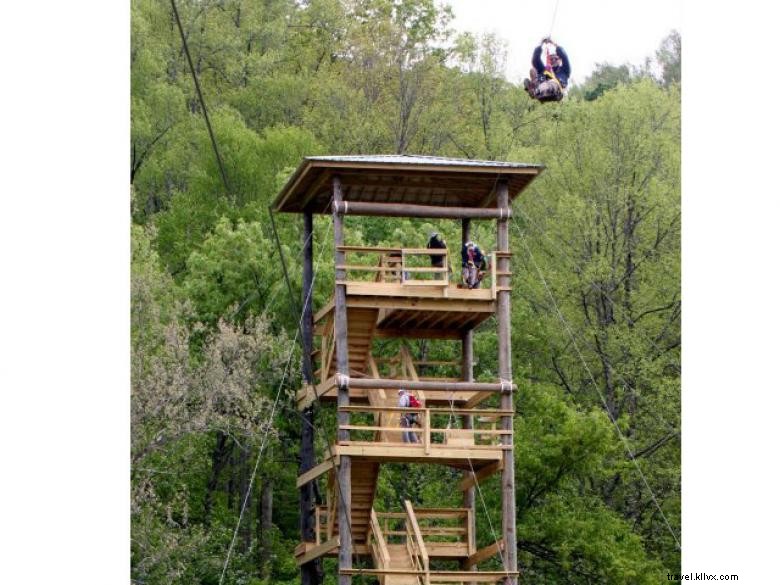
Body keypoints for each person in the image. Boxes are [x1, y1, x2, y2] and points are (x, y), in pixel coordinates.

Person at [523, 38, 571, 102]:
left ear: (560, 60)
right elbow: (535, 60)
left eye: (555, 59)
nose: (553, 60)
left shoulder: (565, 70)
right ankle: (534, 89)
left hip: (557, 93)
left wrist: (554, 43)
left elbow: (564, 56)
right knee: (533, 70)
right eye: (551, 59)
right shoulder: (545, 70)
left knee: (551, 83)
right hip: (543, 92)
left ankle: (536, 91)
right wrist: (541, 44)